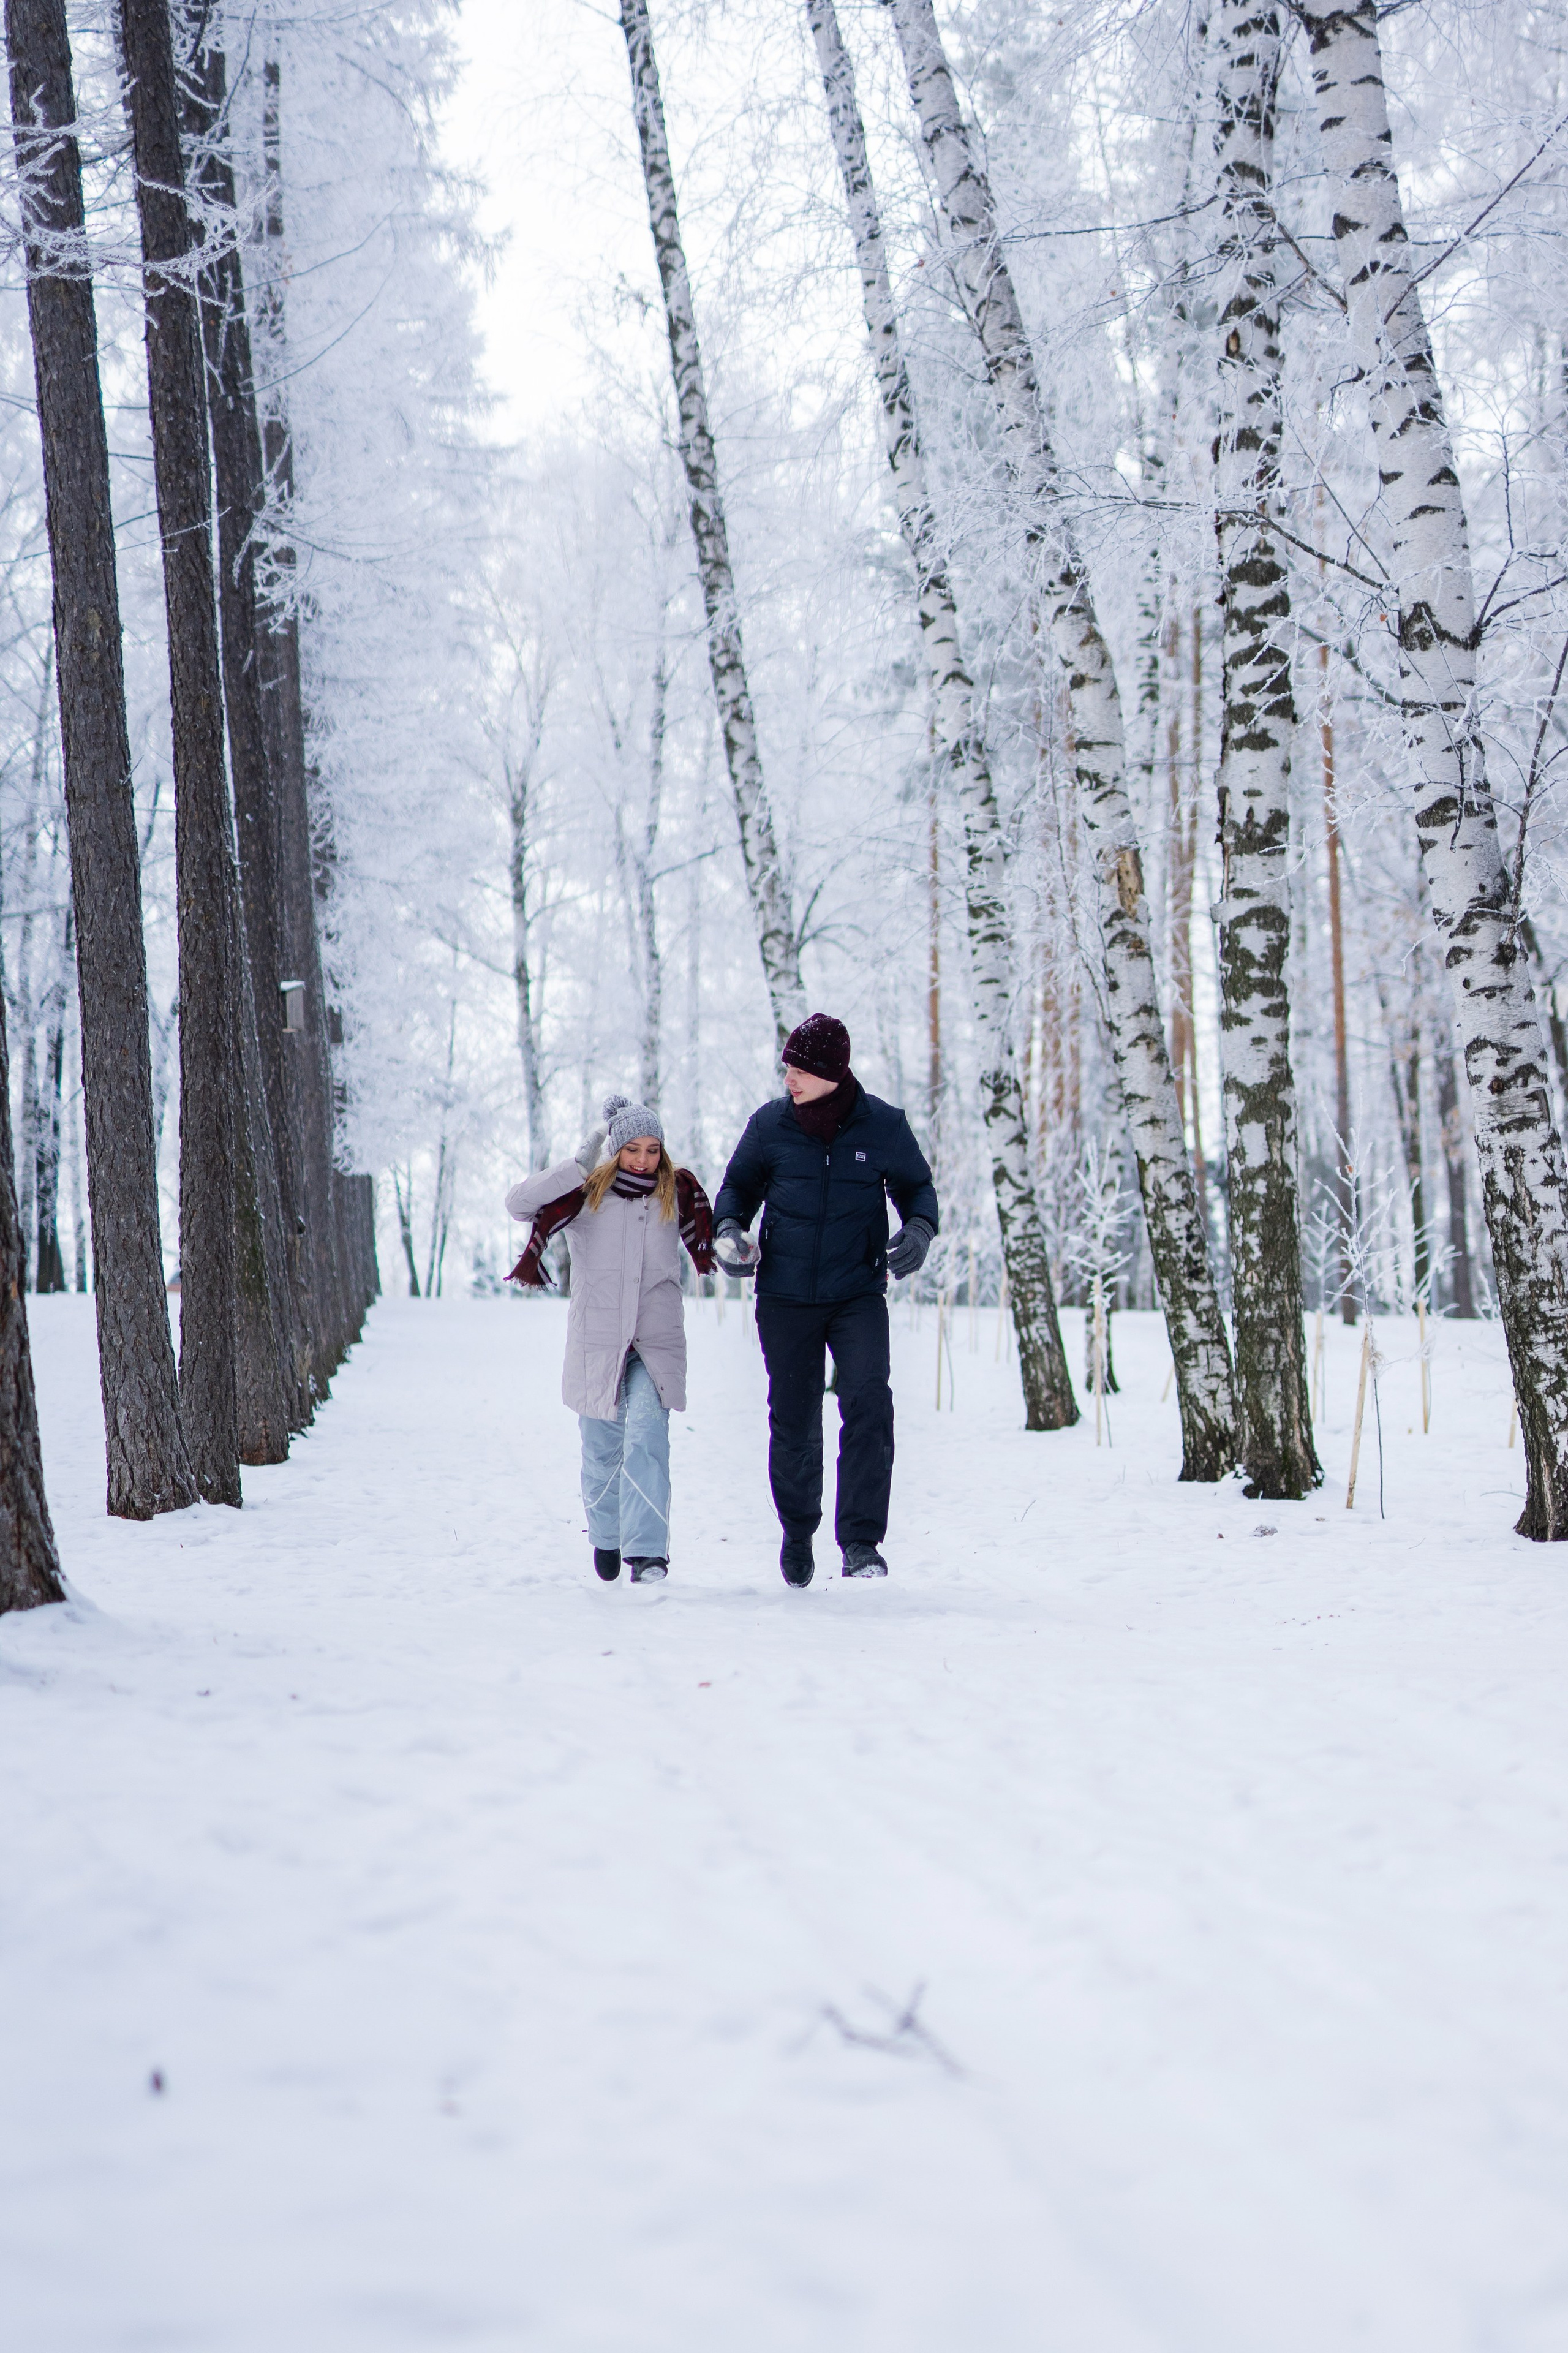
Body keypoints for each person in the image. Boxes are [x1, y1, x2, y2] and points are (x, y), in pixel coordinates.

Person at [712, 1013, 938, 1587]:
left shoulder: (883, 1125)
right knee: (794, 1418)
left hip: (857, 1292)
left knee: (868, 1402)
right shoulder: (769, 1126)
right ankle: (797, 1529)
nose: (789, 1077)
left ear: (832, 1072)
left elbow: (918, 1188)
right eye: (786, 1067)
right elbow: (735, 1188)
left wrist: (918, 1231)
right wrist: (730, 1230)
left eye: (800, 1069)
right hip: (785, 1296)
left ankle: (861, 1541)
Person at [505, 1093, 714, 1585]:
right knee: (601, 1450)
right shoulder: (585, 1195)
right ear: (615, 1150)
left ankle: (648, 1555)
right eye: (632, 1149)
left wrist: (735, 1248)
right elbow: (518, 1205)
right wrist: (575, 1166)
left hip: (654, 1342)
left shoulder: (675, 1193)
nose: (643, 1160)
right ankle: (607, 1535)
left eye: (653, 1149)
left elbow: (711, 1237)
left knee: (647, 1435)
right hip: (598, 1343)